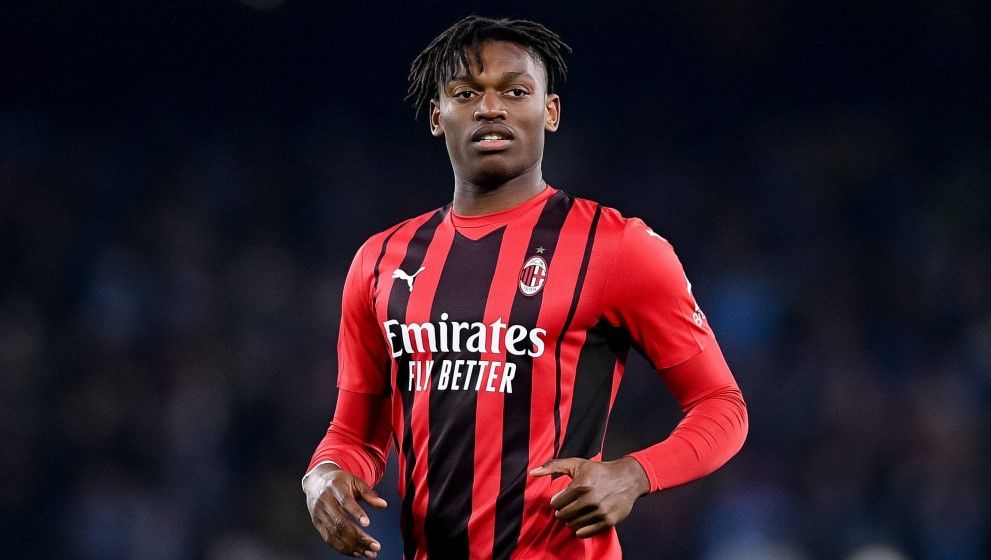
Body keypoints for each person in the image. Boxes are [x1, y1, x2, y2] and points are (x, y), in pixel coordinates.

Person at [302, 16, 748, 560]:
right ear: (437, 116)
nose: (490, 108)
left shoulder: (617, 247)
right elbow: (355, 433)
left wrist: (634, 474)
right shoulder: (379, 262)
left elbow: (722, 405)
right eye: (466, 93)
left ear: (550, 112)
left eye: (515, 91)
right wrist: (323, 475)